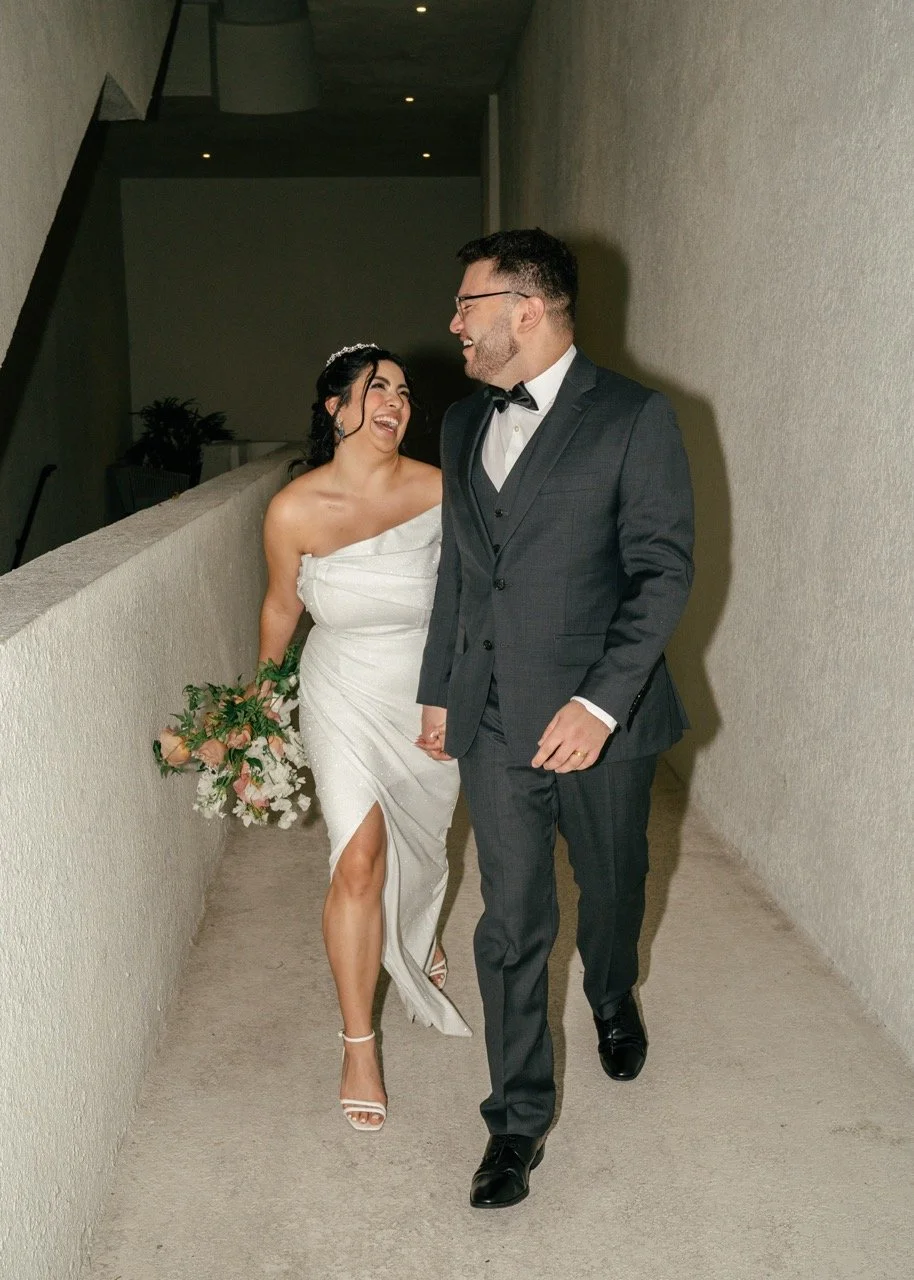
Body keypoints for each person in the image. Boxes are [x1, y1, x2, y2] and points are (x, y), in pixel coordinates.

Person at [417, 230, 694, 1205]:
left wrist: (599, 702)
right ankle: (515, 1119)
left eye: (468, 303)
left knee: (610, 891)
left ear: (524, 309)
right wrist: (439, 684)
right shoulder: (462, 422)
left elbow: (662, 573)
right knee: (512, 919)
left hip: (599, 719)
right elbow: (460, 570)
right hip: (493, 715)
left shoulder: (634, 416)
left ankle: (611, 989)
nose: (454, 321)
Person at [258, 343, 470, 1134]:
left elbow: (468, 602)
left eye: (405, 392)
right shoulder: (293, 509)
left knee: (420, 845)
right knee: (357, 859)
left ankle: (415, 930)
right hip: (340, 689)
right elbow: (282, 606)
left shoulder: (442, 490)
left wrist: (451, 694)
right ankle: (357, 1045)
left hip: (422, 694)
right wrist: (259, 704)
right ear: (335, 407)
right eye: (377, 387)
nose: (396, 402)